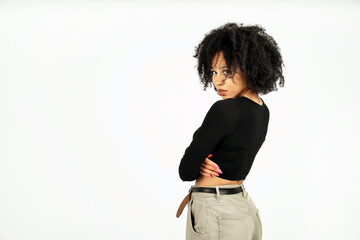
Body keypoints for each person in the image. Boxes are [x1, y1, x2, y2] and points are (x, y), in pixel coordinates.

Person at [176, 22, 285, 240]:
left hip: (216, 211)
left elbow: (185, 171)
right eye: (214, 72)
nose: (218, 81)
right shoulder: (262, 110)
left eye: (227, 71)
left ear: (250, 66)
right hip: (242, 208)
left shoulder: (225, 110)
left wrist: (199, 160)